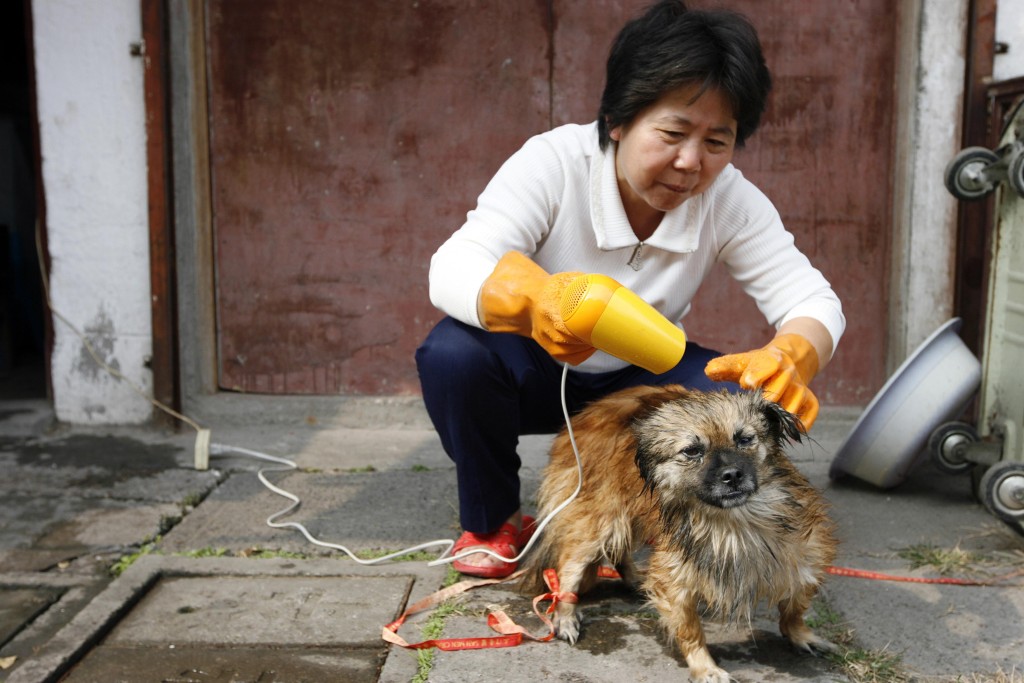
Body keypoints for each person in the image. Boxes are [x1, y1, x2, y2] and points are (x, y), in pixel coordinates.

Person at [415, 0, 845, 578]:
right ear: (618, 120)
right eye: (672, 133)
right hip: (534, 369)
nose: (691, 162)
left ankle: (655, 525)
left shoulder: (731, 200)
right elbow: (454, 264)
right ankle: (493, 521)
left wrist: (791, 355)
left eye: (717, 142)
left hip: (643, 381)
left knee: (744, 398)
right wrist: (534, 301)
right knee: (453, 354)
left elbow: (811, 301)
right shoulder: (554, 164)